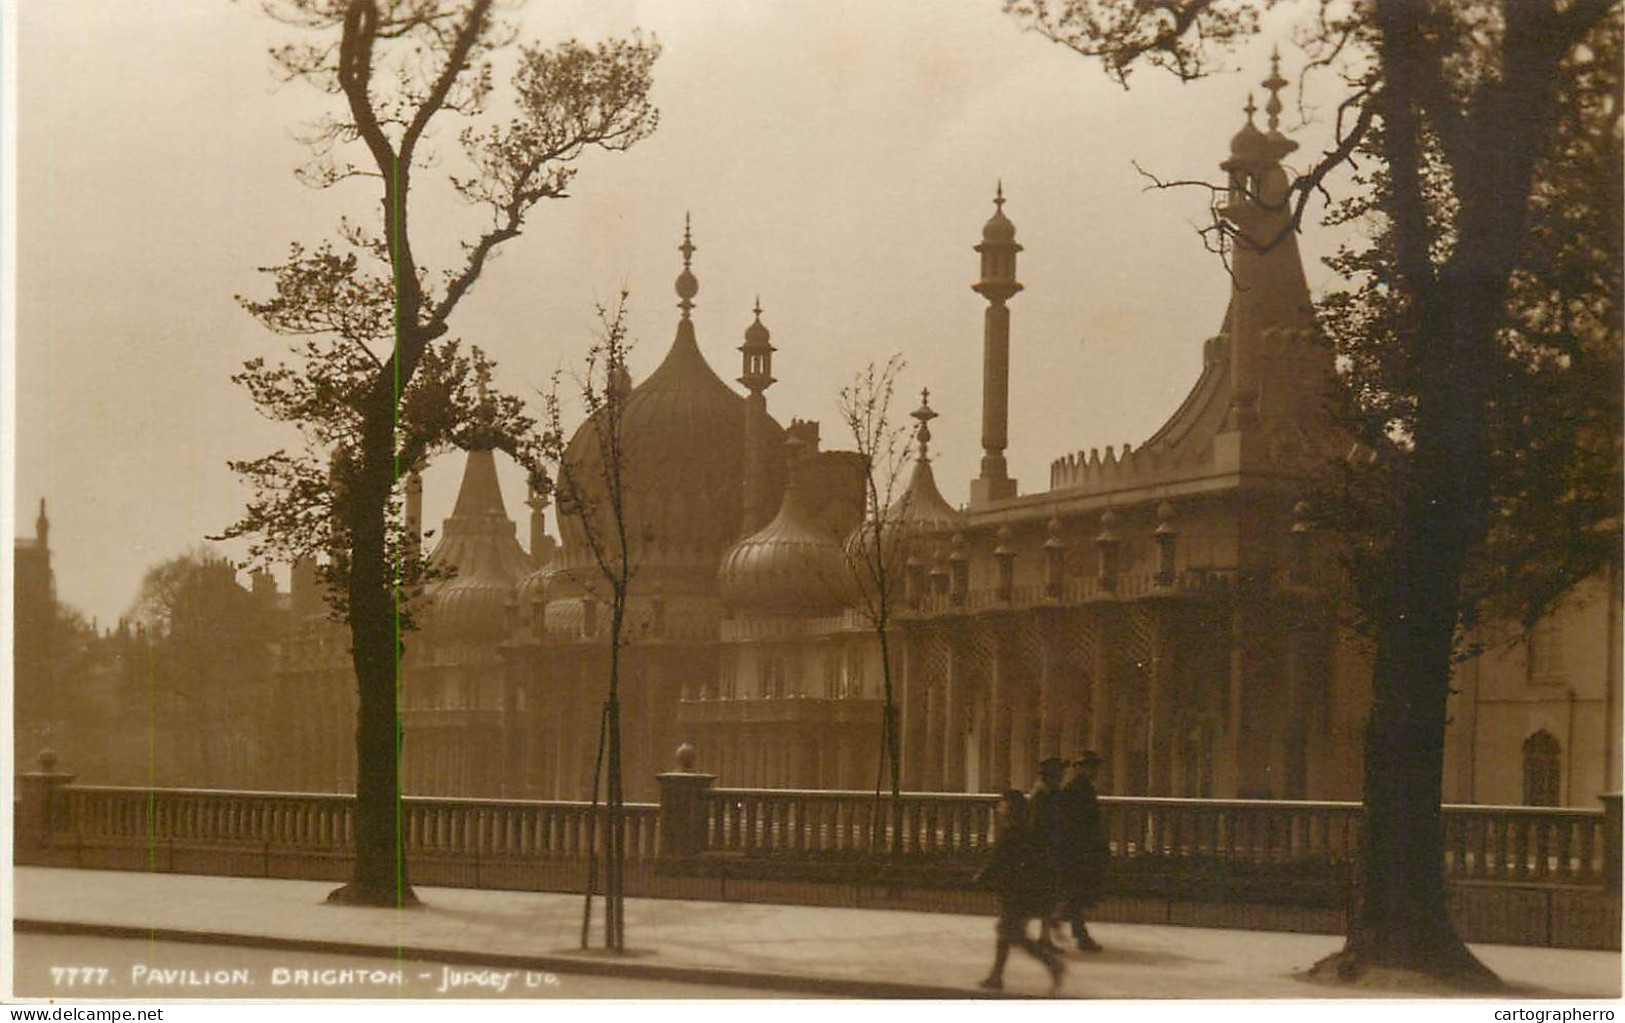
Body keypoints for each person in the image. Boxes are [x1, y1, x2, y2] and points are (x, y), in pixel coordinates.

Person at [974, 789, 1065, 994]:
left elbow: (999, 860)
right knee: (1007, 934)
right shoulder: (1020, 829)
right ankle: (997, 975)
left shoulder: (1012, 831)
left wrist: (982, 875)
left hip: (1016, 892)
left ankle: (1052, 965)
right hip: (1018, 890)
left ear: (1010, 807)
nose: (999, 807)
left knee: (1011, 933)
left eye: (1003, 803)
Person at [1056, 751, 1110, 951]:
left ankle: (1077, 932)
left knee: (1074, 893)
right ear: (1079, 768)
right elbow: (1078, 823)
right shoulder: (1078, 789)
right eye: (1090, 767)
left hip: (1078, 849)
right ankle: (1075, 931)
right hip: (1078, 850)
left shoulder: (1078, 788)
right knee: (1076, 892)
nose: (1094, 771)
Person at [1027, 756, 1068, 951]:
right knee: (1045, 895)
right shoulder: (1043, 794)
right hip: (1044, 852)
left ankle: (1044, 936)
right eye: (1060, 772)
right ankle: (1042, 937)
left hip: (1047, 850)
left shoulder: (1047, 791)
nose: (1062, 775)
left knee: (1048, 895)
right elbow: (1038, 825)